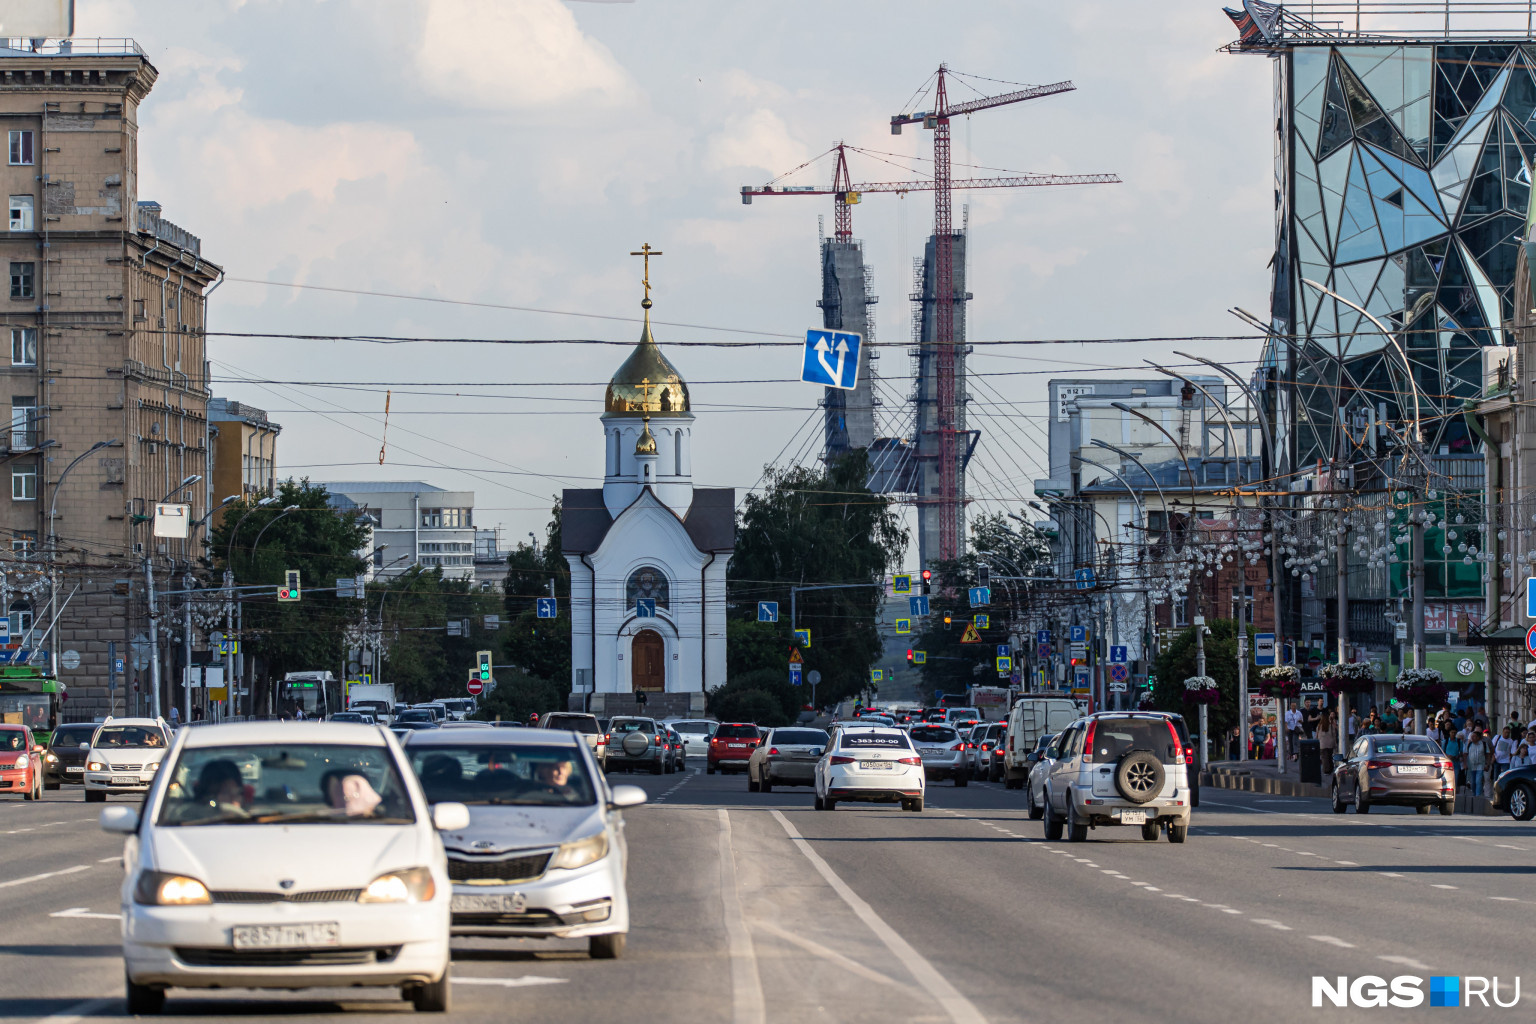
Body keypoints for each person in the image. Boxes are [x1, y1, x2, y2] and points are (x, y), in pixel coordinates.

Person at [1465, 727, 1492, 798]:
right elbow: (1465, 754)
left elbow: (1488, 754)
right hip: (1471, 766)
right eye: (1472, 736)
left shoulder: (1483, 744)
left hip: (1480, 765)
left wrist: (1487, 764)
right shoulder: (1469, 744)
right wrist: (1465, 764)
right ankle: (1474, 794)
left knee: (1478, 781)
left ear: (1478, 737)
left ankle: (1478, 796)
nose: (1472, 738)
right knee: (1473, 782)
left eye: (1474, 736)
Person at [1317, 710, 1337, 775]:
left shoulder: (1319, 726)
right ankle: (1331, 768)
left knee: (1324, 757)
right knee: (1329, 756)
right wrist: (1335, 743)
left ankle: (1326, 770)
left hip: (1322, 744)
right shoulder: (1331, 725)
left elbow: (1318, 735)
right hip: (1330, 743)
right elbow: (1334, 734)